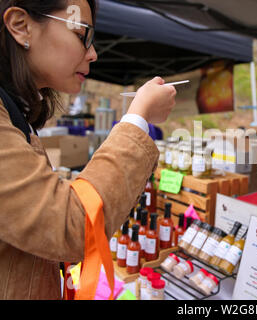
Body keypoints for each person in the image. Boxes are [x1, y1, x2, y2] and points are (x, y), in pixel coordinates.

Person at [0, 0, 176, 299]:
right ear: (21, 25)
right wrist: (138, 118)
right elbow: (68, 224)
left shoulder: (14, 112)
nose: (93, 54)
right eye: (83, 34)